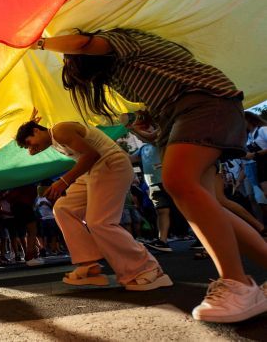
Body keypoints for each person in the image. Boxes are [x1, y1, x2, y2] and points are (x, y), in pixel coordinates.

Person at [33, 28, 267, 322]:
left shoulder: (120, 41)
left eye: (69, 61)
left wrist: (36, 41)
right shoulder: (121, 69)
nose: (70, 64)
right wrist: (149, 118)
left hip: (203, 103)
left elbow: (81, 42)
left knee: (179, 182)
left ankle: (238, 283)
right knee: (206, 204)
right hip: (183, 114)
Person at [15, 116, 172, 292]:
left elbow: (92, 155)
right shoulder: (53, 139)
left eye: (29, 143)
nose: (30, 150)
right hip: (94, 171)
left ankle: (149, 269)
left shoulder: (59, 130)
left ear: (36, 131)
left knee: (99, 222)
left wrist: (64, 181)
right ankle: (89, 266)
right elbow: (87, 159)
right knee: (63, 208)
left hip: (111, 164)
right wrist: (29, 131)